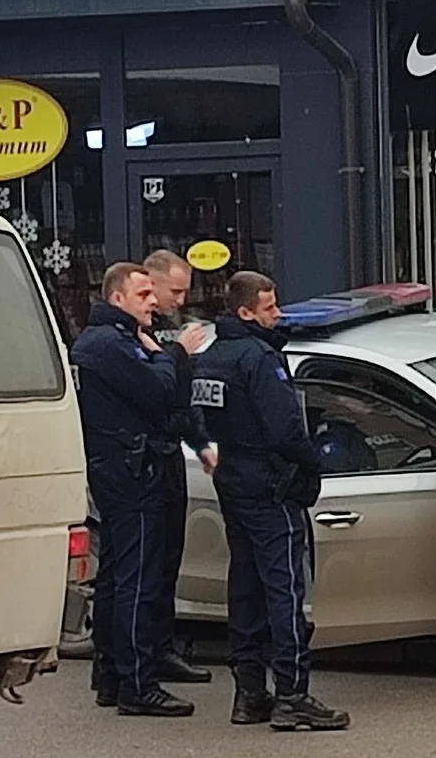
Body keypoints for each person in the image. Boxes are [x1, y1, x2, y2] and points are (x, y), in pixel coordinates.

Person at [192, 271, 350, 732]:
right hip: (269, 484)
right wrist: (311, 465)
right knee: (284, 590)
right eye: (269, 308)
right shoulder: (259, 359)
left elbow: (202, 418)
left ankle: (249, 693)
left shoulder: (212, 357)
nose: (277, 314)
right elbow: (285, 429)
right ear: (246, 312)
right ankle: (292, 695)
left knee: (245, 588)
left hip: (233, 479)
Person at [69, 261, 208, 717]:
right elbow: (159, 392)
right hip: (131, 474)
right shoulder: (111, 345)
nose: (153, 302)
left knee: (119, 574)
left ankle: (113, 675)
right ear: (118, 298)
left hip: (126, 469)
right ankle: (136, 683)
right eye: (143, 294)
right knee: (136, 578)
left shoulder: (118, 340)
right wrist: (174, 355)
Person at [138, 249, 212, 690]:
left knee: (168, 559)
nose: (180, 301)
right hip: (144, 460)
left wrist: (200, 444)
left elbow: (184, 398)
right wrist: (177, 354)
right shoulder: (136, 336)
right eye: (176, 291)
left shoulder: (169, 332)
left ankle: (162, 649)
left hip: (169, 455)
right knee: (145, 567)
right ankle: (140, 658)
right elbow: (156, 395)